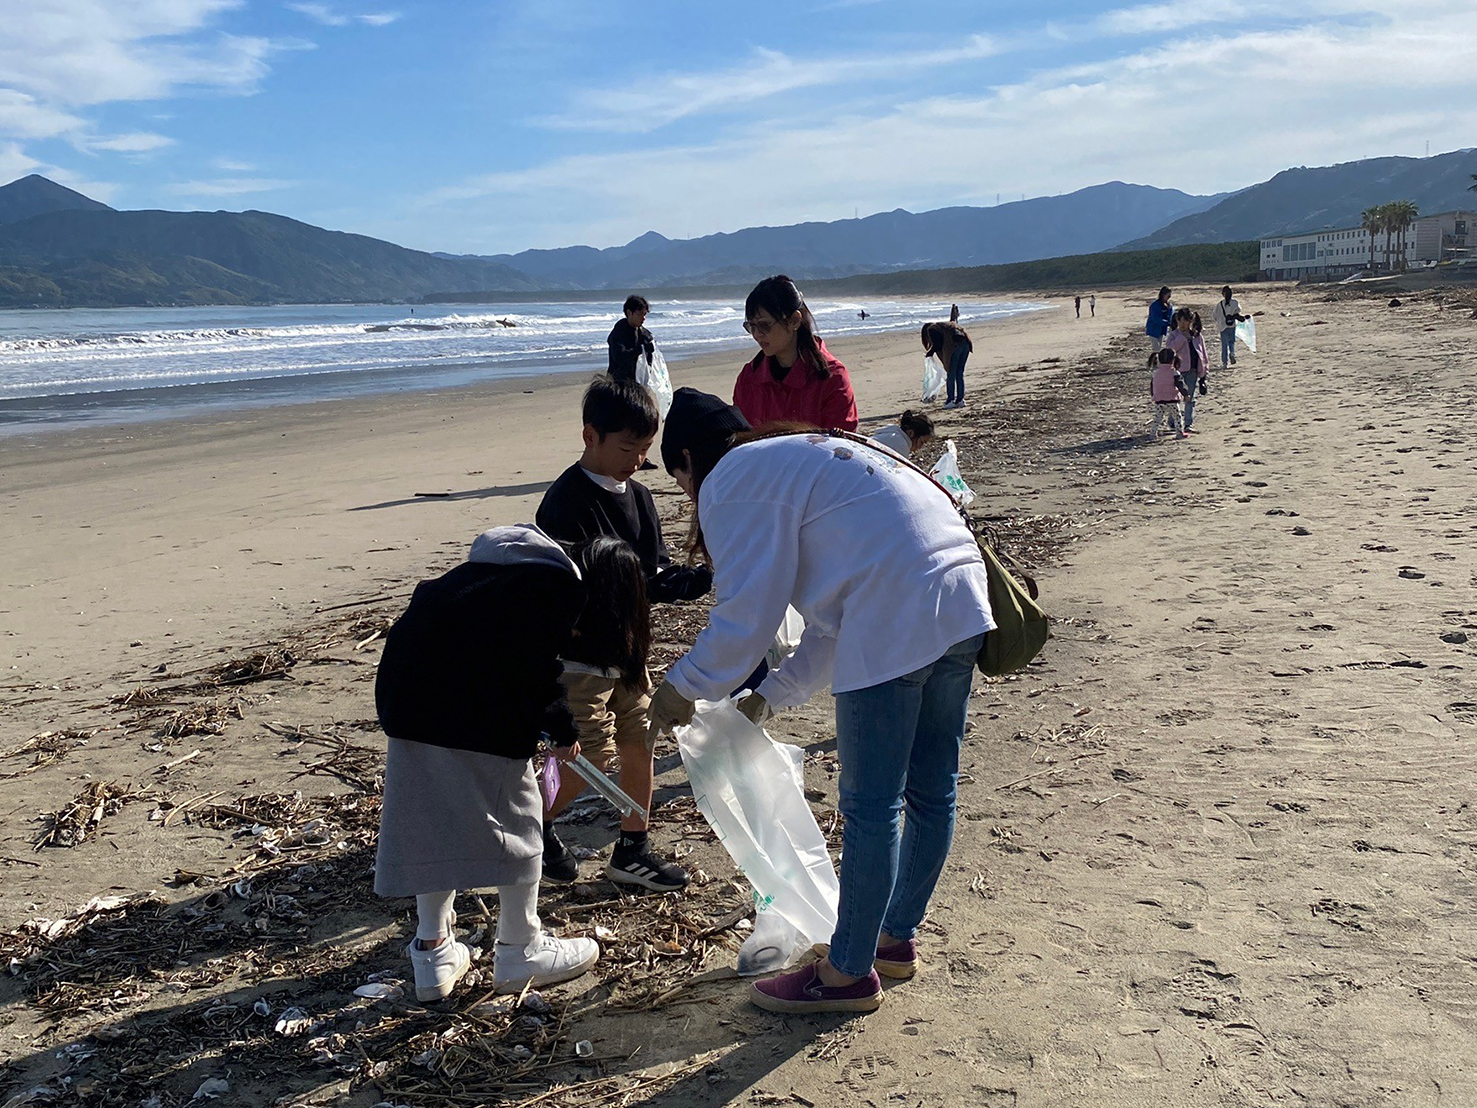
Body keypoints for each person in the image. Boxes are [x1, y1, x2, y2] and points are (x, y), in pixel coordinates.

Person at [645, 388, 996, 1015]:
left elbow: (748, 615)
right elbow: (830, 621)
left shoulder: (729, 480)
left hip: (896, 606)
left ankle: (847, 974)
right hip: (962, 592)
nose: (688, 494)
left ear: (691, 459)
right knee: (931, 787)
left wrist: (682, 686)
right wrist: (770, 697)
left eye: (679, 479)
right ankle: (892, 940)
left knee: (871, 805)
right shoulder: (804, 453)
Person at [373, 524, 602, 1002]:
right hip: (480, 726)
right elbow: (538, 669)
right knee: (520, 828)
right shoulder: (548, 586)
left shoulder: (448, 588)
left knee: (432, 827)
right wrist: (561, 732)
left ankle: (432, 953)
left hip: (409, 717)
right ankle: (521, 946)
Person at [535, 377, 708, 891]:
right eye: (628, 448)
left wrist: (680, 581)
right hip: (581, 657)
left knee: (641, 740)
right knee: (590, 755)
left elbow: (648, 573)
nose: (637, 460)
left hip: (629, 652)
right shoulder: (564, 502)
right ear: (590, 436)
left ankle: (633, 847)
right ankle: (529, 824)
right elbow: (563, 586)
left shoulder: (640, 498)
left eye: (645, 450)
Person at [732, 275, 858, 431]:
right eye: (751, 326)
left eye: (764, 325)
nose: (757, 334)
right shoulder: (749, 377)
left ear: (794, 321)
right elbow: (741, 438)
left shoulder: (832, 377)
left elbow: (841, 446)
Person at [1165, 309, 1209, 432]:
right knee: (1175, 397)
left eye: (1185, 321)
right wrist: (1181, 338)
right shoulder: (1174, 335)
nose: (1183, 324)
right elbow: (1169, 349)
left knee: (1190, 397)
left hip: (1193, 370)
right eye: (1180, 321)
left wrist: (1204, 371)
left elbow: (1203, 353)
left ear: (1190, 321)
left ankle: (1188, 423)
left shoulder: (1197, 335)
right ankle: (1173, 422)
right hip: (1177, 371)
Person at [921, 321, 972, 409]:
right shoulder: (945, 326)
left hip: (954, 347)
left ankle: (950, 400)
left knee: (951, 374)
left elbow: (938, 344)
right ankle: (960, 400)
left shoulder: (932, 329)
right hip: (966, 345)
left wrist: (929, 354)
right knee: (959, 374)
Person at [607, 295, 654, 385]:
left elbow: (649, 360)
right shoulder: (618, 333)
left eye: (644, 314)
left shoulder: (644, 333)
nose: (643, 318)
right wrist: (640, 350)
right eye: (640, 314)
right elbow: (618, 357)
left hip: (638, 381)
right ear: (629, 313)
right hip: (618, 383)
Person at [1148, 349, 1189, 440]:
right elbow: (1180, 384)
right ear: (1174, 360)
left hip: (1159, 399)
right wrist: (1186, 394)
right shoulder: (1174, 372)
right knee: (1177, 416)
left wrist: (1153, 395)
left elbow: (1152, 385)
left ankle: (1153, 433)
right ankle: (1179, 433)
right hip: (1172, 398)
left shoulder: (1156, 372)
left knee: (1158, 417)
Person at [870, 409, 935, 458]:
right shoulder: (901, 445)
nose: (920, 447)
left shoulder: (891, 431)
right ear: (911, 433)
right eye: (922, 442)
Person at [1212, 286, 1247, 368]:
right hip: (1232, 326)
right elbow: (1238, 312)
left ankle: (1225, 363)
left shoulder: (1220, 304)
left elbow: (1214, 315)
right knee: (1231, 342)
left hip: (1222, 327)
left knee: (1224, 345)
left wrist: (1219, 321)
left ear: (1223, 294)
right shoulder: (1235, 303)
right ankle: (1232, 353)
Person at [1145, 287, 1174, 352]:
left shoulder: (1168, 305)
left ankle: (1156, 360)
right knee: (1156, 348)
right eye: (1168, 296)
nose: (1169, 298)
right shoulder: (1155, 305)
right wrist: (1168, 323)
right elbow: (1156, 319)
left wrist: (1169, 309)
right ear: (1163, 295)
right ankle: (1154, 360)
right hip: (1153, 329)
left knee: (1159, 347)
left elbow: (1170, 316)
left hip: (1161, 330)